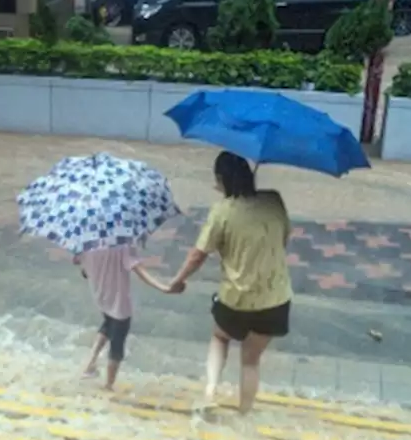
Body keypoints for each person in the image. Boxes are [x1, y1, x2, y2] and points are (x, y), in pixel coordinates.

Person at [167, 152, 292, 413]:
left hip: (235, 299)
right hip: (275, 300)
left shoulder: (222, 211)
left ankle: (211, 391)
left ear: (221, 180)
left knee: (220, 337)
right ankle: (244, 415)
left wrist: (178, 281)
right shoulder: (274, 201)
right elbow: (283, 238)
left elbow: (197, 255)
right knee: (250, 362)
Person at [75, 243, 177, 390]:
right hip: (119, 302)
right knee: (117, 345)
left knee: (108, 323)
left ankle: (90, 363)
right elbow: (140, 271)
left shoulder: (88, 244)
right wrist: (164, 287)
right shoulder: (123, 246)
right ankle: (108, 385)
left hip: (101, 296)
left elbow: (84, 272)